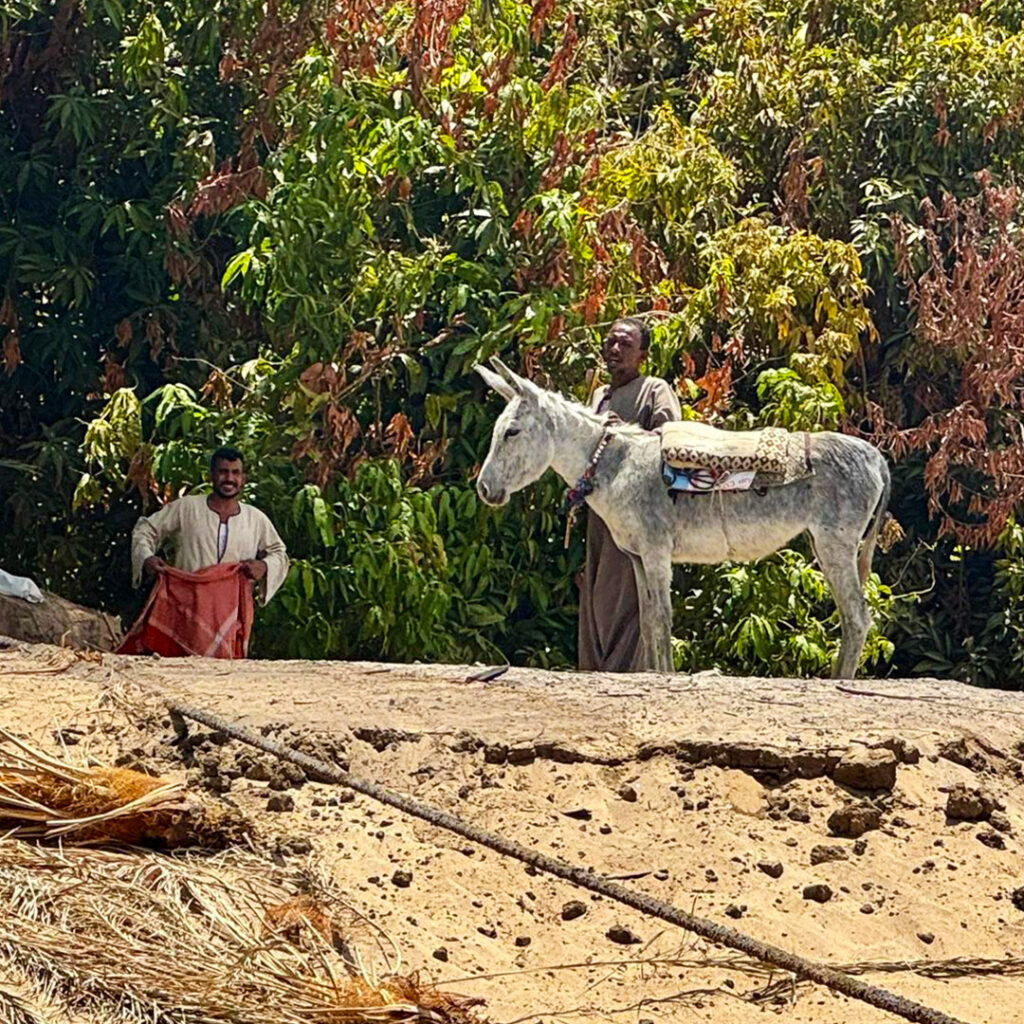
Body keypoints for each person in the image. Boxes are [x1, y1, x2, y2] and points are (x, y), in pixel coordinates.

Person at [577, 318, 681, 671]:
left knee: (629, 592)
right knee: (597, 591)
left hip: (638, 513)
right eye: (611, 342)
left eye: (625, 344)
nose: (615, 350)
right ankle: (595, 670)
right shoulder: (599, 396)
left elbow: (670, 439)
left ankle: (630, 671)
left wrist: (625, 434)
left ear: (643, 354)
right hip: (600, 511)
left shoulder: (654, 389)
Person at [122, 446, 288, 657]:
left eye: (235, 473)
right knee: (182, 671)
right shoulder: (187, 508)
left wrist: (263, 566)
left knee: (223, 678)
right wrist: (147, 558)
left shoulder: (255, 519)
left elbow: (279, 552)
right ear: (212, 475)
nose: (229, 478)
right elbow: (145, 529)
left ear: (243, 478)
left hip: (231, 615)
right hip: (186, 611)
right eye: (223, 472)